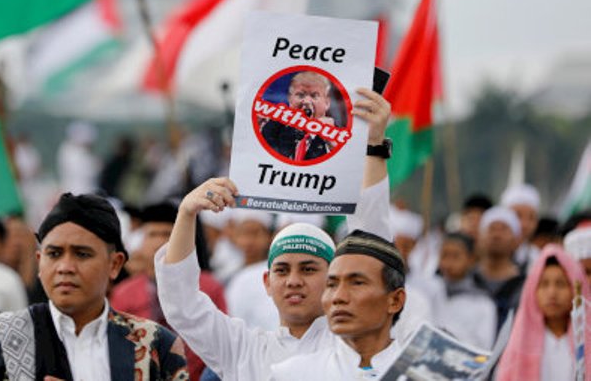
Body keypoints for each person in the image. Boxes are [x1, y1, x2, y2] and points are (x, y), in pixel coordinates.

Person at [155, 87, 393, 381]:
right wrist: (186, 213)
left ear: (333, 282)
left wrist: (373, 147)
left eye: (308, 269)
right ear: (267, 282)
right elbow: (182, 305)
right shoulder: (243, 350)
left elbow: (372, 251)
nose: (293, 281)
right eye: (282, 270)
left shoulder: (355, 345)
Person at [0, 192, 188, 380]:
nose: (65, 267)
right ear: (40, 262)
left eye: (82, 254)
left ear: (114, 264)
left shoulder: (156, 345)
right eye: (54, 254)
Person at [110, 202, 227, 380]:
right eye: (152, 234)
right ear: (141, 241)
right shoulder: (124, 293)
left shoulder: (210, 287)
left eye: (166, 234)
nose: (159, 242)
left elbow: (223, 344)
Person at [270, 230, 406, 379]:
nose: (338, 297)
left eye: (357, 283)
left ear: (395, 300)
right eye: (332, 285)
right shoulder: (291, 374)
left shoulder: (419, 372)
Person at [495, 244, 591, 380]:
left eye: (561, 284)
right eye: (544, 284)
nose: (552, 293)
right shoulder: (518, 345)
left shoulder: (584, 340)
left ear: (575, 290)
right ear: (532, 291)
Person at [434, 232, 497, 350]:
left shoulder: (483, 303)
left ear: (471, 259)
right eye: (444, 255)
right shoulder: (429, 290)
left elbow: (484, 347)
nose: (448, 263)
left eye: (455, 256)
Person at [260, 70, 340, 161]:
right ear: (290, 99)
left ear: (327, 103)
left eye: (314, 96)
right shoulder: (272, 129)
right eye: (300, 95)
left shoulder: (337, 137)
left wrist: (332, 145)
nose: (306, 101)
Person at [473, 206, 526, 333]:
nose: (497, 235)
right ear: (480, 238)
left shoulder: (525, 286)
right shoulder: (467, 280)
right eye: (491, 229)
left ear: (517, 240)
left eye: (504, 229)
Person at [501, 184, 542, 270]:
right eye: (518, 215)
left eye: (531, 217)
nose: (525, 224)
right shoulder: (491, 254)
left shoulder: (537, 257)